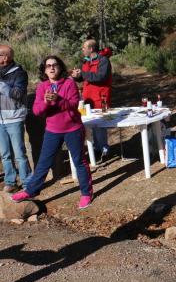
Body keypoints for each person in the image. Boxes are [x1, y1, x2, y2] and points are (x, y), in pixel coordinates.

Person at [12, 55, 93, 209]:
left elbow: (74, 104)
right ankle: (30, 191)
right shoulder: (42, 87)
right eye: (48, 66)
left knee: (79, 162)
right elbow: (37, 111)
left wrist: (58, 100)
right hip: (53, 130)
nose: (51, 68)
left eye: (54, 65)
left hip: (73, 128)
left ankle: (86, 193)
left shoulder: (69, 83)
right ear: (44, 70)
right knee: (43, 163)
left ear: (60, 67)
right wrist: (46, 102)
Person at [71, 39, 112, 159]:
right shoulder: (85, 61)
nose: (82, 50)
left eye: (84, 47)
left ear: (91, 49)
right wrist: (77, 76)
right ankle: (96, 149)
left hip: (101, 98)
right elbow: (85, 78)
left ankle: (104, 150)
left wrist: (83, 74)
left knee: (100, 125)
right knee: (89, 124)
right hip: (88, 98)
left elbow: (101, 77)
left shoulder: (104, 61)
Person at [0, 44, 32, 193]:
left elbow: (19, 94)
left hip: (14, 118)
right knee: (5, 154)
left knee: (19, 153)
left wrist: (4, 88)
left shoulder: (19, 73)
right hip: (0, 120)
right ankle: (10, 181)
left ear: (5, 57)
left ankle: (27, 183)